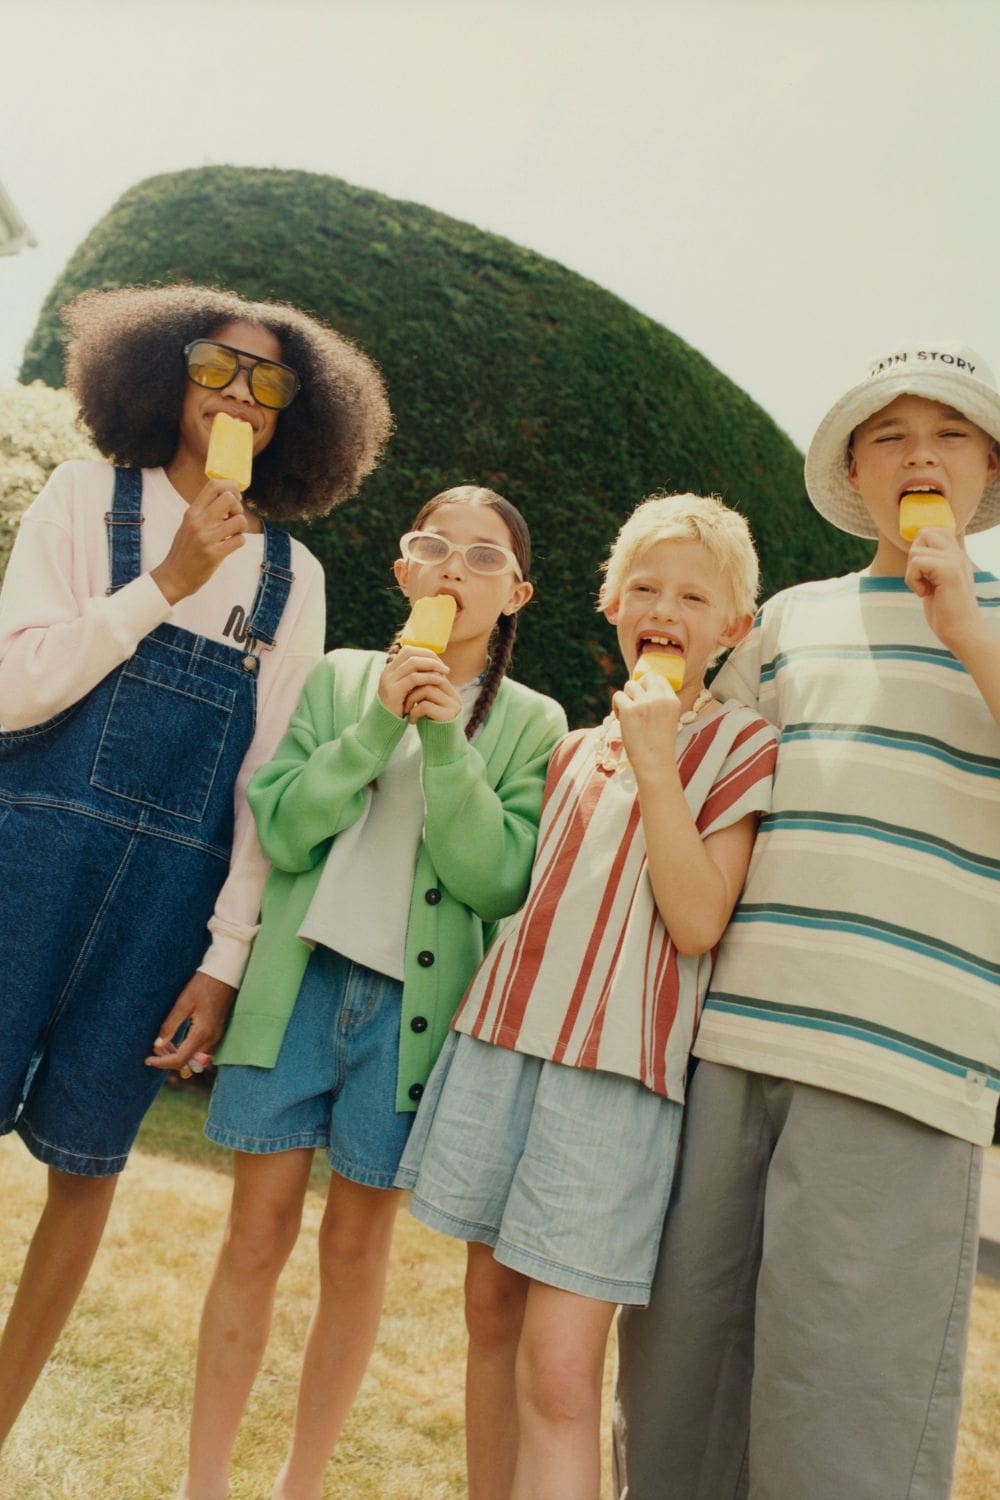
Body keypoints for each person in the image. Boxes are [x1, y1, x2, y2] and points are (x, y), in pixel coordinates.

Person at [0, 283, 391, 1449]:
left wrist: (226, 957)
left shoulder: (293, 582)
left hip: (165, 913)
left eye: (269, 383)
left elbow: (266, 789)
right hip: (24, 858)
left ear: (292, 420)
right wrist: (163, 582)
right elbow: (17, 686)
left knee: (86, 1168)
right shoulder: (84, 500)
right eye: (218, 366)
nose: (238, 394)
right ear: (167, 373)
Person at [614, 343, 1000, 1500]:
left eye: (948, 434)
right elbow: (691, 775)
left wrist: (967, 627)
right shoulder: (788, 619)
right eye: (888, 435)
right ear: (854, 472)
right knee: (680, 1385)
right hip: (727, 1046)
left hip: (901, 1066)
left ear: (985, 471)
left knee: (843, 1418)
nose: (918, 453)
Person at [177, 485, 566, 1500]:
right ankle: (204, 1482)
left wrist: (441, 737)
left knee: (355, 1250)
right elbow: (288, 826)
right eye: (435, 546)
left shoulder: (532, 723)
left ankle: (299, 1486)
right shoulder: (342, 679)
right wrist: (374, 728)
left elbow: (494, 877)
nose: (453, 568)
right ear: (402, 571)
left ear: (515, 593)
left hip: (411, 1022)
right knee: (252, 1235)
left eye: (485, 558)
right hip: (295, 991)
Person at [396, 492, 779, 1500]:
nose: (666, 606)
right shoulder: (570, 747)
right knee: (489, 1311)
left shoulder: (740, 748)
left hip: (614, 1083)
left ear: (732, 630)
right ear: (610, 603)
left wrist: (659, 759)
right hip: (506, 1046)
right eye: (645, 587)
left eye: (696, 596)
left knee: (560, 1367)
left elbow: (696, 920)